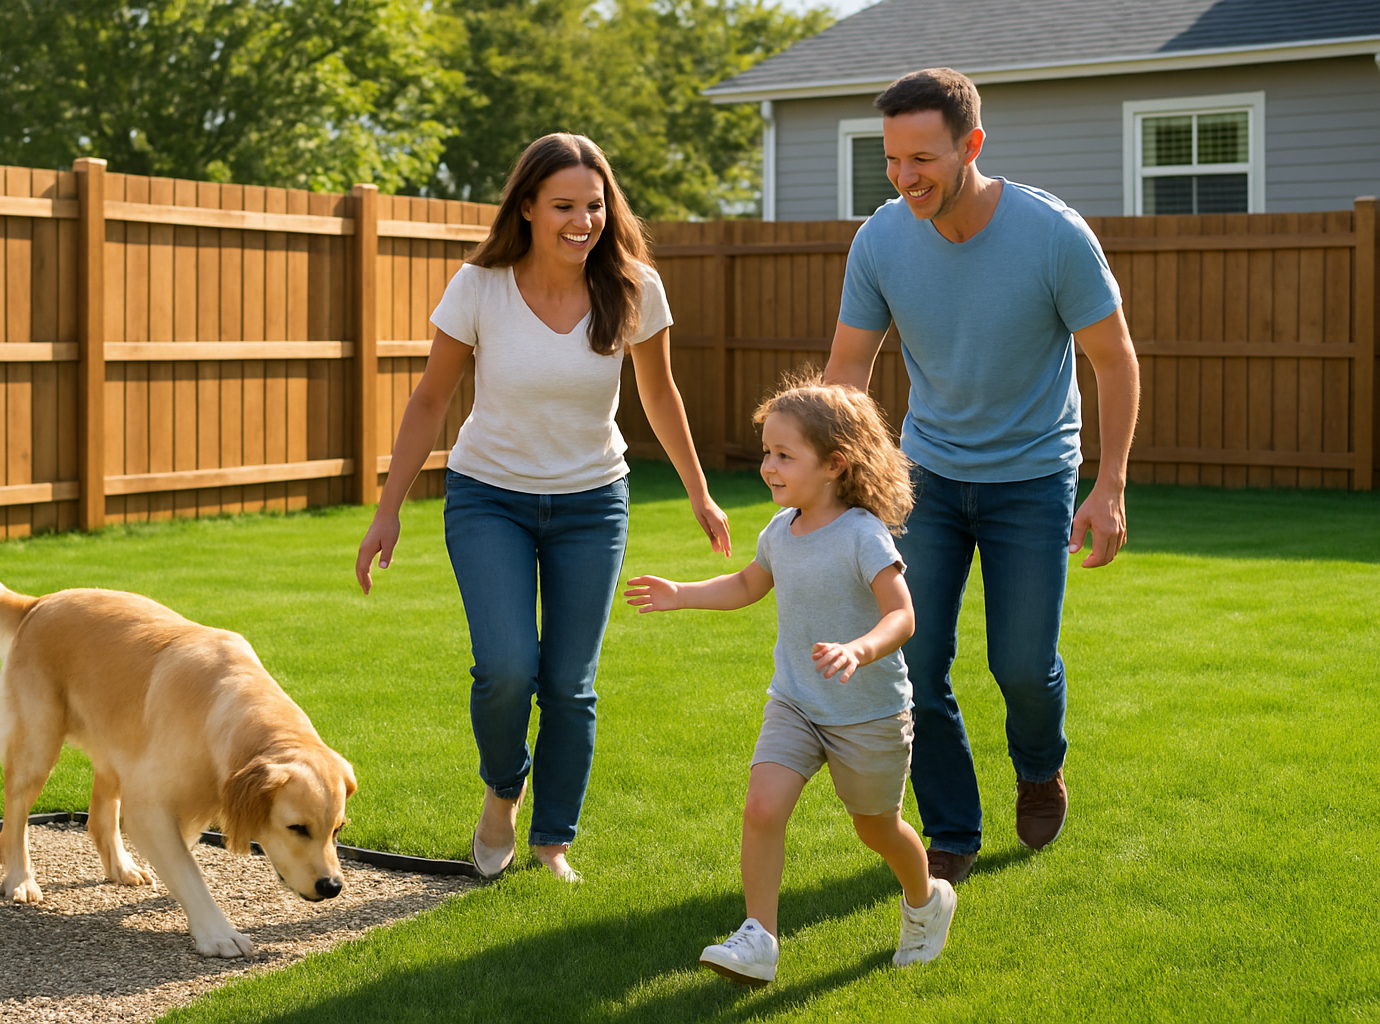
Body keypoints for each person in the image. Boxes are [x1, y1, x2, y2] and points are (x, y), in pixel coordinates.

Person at [355, 133, 731, 884]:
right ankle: (503, 789)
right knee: (504, 668)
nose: (582, 221)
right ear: (526, 207)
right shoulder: (480, 287)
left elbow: (658, 394)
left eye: (594, 205)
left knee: (568, 681)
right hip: (488, 496)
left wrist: (699, 490)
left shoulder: (632, 287)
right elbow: (431, 397)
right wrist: (387, 508)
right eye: (564, 206)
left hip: (592, 503)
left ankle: (552, 840)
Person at [823, 67, 1141, 883]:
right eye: (891, 160)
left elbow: (1114, 361)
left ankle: (1039, 767)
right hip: (924, 475)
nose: (903, 178)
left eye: (922, 158)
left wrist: (1108, 487)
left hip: (1034, 475)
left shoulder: (1051, 234)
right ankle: (951, 830)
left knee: (1022, 665)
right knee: (915, 661)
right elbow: (848, 371)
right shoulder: (882, 238)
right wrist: (833, 482)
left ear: (972, 145)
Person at [625, 377, 955, 985]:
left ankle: (926, 899)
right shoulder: (780, 532)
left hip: (869, 713)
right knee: (762, 806)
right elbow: (749, 585)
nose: (767, 467)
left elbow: (902, 614)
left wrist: (860, 648)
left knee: (876, 828)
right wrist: (681, 594)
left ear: (834, 464)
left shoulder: (862, 534)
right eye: (766, 453)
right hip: (797, 703)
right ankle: (759, 938)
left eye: (783, 455)